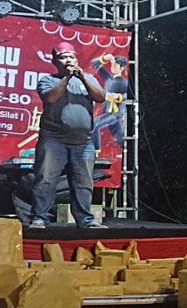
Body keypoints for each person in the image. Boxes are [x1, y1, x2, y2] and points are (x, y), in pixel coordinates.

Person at [27, 41, 106, 229]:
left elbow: (101, 97)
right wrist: (67, 78)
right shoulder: (47, 80)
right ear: (55, 62)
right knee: (45, 180)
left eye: (71, 57)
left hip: (83, 142)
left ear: (77, 60)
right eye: (63, 57)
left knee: (83, 183)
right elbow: (50, 97)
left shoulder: (88, 79)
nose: (68, 60)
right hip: (53, 141)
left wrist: (82, 77)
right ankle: (39, 218)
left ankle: (86, 220)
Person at [89, 53, 129, 154]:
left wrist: (118, 97)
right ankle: (128, 152)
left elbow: (129, 95)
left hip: (115, 114)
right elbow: (94, 63)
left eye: (115, 66)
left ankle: (96, 151)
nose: (112, 67)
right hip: (107, 112)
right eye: (112, 65)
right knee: (120, 138)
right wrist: (104, 58)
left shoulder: (123, 82)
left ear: (122, 68)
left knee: (94, 124)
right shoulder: (108, 77)